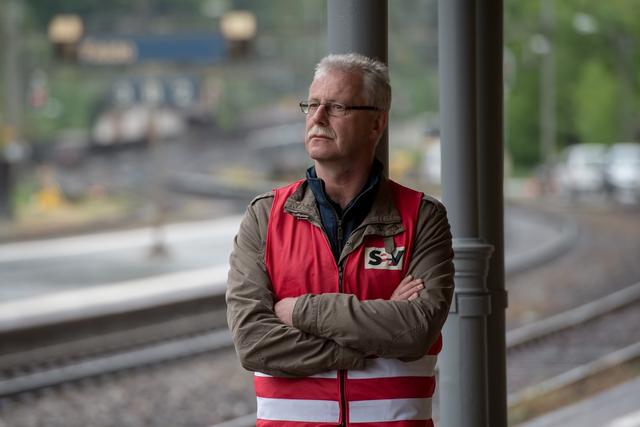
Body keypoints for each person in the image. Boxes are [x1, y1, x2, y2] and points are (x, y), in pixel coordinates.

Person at [226, 53, 454, 427]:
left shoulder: (422, 217)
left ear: (376, 122)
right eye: (312, 105)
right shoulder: (265, 218)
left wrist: (300, 312)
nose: (317, 118)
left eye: (336, 107)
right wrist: (371, 338)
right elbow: (253, 342)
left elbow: (414, 331)